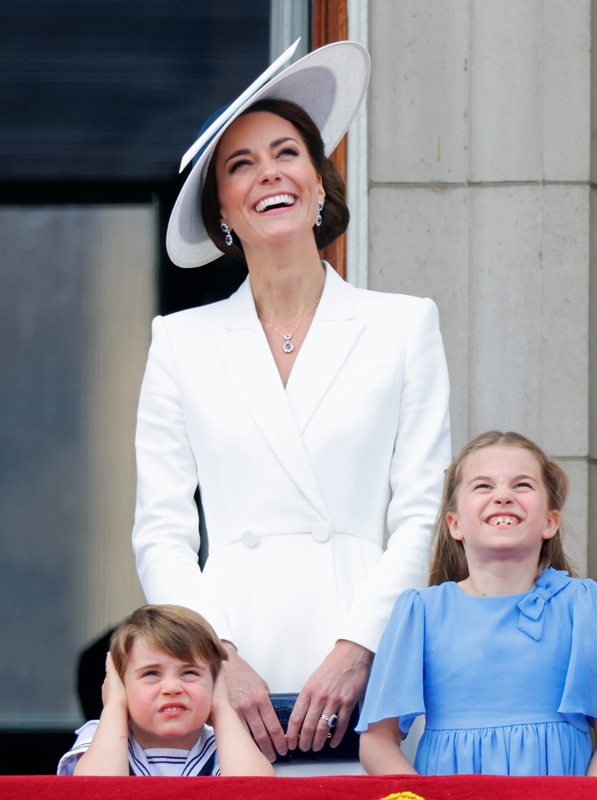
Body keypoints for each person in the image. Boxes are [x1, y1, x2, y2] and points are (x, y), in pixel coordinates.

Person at [133, 40, 451, 771]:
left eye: (286, 154)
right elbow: (161, 530)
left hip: (370, 660)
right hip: (228, 657)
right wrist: (212, 659)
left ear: (317, 184)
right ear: (223, 212)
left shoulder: (403, 324)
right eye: (240, 165)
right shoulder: (180, 341)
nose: (268, 173)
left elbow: (422, 511)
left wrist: (360, 647)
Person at [356, 431, 597, 776]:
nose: (503, 495)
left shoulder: (580, 604)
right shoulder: (421, 612)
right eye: (484, 486)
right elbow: (378, 740)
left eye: (522, 485)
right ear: (455, 524)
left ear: (550, 521)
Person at [59, 605, 273, 776]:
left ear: (216, 682)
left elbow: (256, 791)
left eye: (189, 673)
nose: (172, 688)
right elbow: (96, 792)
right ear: (121, 686)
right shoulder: (103, 735)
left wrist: (222, 708)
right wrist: (115, 706)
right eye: (151, 674)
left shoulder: (226, 742)